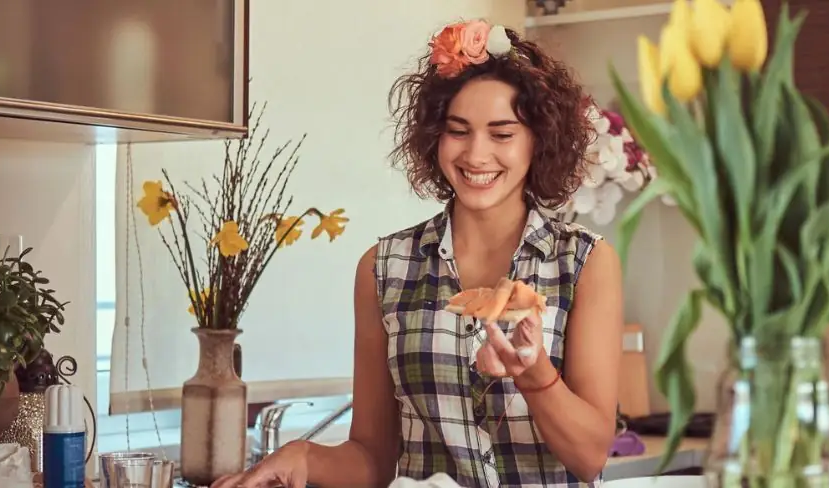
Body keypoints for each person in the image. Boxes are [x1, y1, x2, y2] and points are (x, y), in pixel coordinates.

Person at [212, 18, 624, 488]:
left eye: (502, 134)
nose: (476, 153)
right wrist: (300, 459)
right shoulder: (383, 268)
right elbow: (372, 457)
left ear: (538, 141)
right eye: (458, 130)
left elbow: (591, 456)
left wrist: (535, 375)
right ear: (435, 137)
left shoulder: (583, 263)